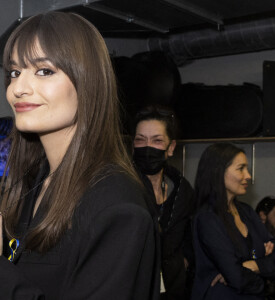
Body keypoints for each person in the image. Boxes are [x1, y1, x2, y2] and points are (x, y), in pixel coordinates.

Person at [0, 11, 158, 300]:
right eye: (14, 72)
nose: (17, 89)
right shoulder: (31, 183)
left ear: (88, 82)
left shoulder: (116, 206)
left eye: (44, 71)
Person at [191, 143, 275, 300]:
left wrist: (252, 266)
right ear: (219, 172)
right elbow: (237, 277)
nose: (248, 176)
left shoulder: (247, 212)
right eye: (240, 168)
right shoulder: (208, 218)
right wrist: (265, 272)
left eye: (247, 169)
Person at [132, 105, 195, 300]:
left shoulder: (182, 190)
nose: (148, 147)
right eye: (140, 140)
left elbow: (189, 234)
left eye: (157, 140)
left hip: (174, 290)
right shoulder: (123, 187)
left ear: (171, 147)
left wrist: (182, 262)